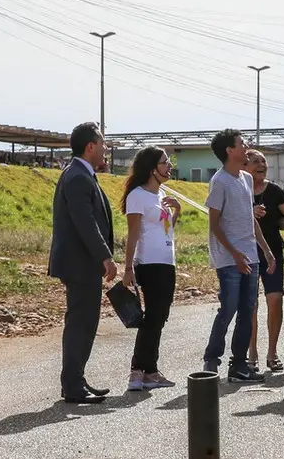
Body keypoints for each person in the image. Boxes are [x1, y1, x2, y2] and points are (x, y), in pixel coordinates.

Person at [47, 122, 117, 404]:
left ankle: (76, 380)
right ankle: (73, 385)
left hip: (83, 263)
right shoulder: (77, 177)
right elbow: (85, 223)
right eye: (102, 143)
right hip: (80, 263)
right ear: (90, 146)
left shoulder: (81, 174)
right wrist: (105, 256)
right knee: (81, 323)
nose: (105, 149)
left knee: (86, 322)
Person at [202, 130, 276, 383]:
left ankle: (239, 365)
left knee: (248, 309)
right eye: (241, 144)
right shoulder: (220, 181)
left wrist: (265, 250)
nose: (246, 147)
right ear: (229, 151)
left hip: (250, 256)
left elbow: (250, 219)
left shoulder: (245, 178)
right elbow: (214, 223)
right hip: (229, 260)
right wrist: (234, 255)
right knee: (229, 308)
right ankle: (211, 360)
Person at [121, 146, 180, 391]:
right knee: (153, 317)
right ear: (152, 168)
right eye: (165, 163)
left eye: (169, 162)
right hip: (149, 262)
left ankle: (149, 371)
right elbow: (133, 233)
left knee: (160, 317)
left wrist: (177, 210)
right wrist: (127, 267)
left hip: (167, 262)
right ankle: (139, 371)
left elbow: (166, 229)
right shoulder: (138, 195)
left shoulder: (161, 194)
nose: (169, 167)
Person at [245, 149, 284, 372]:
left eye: (263, 161)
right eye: (255, 161)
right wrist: (248, 211)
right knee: (250, 305)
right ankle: (251, 354)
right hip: (245, 254)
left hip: (271, 253)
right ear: (244, 166)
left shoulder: (274, 191)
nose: (261, 164)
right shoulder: (237, 189)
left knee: (275, 299)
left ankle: (272, 353)